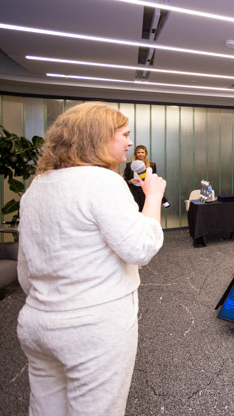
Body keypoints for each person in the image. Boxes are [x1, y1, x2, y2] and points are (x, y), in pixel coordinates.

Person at [17, 102, 166, 415]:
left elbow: (26, 270)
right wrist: (153, 196)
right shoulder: (101, 181)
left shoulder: (37, 186)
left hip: (37, 322)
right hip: (92, 327)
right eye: (124, 134)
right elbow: (141, 248)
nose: (130, 142)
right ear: (99, 137)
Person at [123, 144, 157, 211]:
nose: (140, 154)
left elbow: (154, 179)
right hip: (134, 191)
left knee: (146, 210)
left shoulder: (152, 165)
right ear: (135, 154)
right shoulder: (130, 165)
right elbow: (125, 178)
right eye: (138, 152)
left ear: (145, 153)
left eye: (142, 152)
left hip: (146, 191)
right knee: (135, 210)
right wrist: (130, 181)